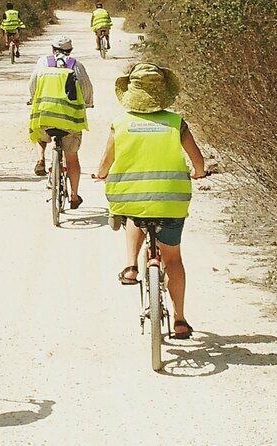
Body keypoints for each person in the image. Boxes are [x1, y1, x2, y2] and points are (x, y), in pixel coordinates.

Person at [95, 63, 208, 339]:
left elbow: (106, 161)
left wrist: (100, 174)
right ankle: (180, 320)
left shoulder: (120, 123)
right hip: (171, 201)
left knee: (134, 214)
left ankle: (132, 266)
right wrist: (199, 172)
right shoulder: (175, 123)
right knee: (173, 259)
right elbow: (198, 161)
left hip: (130, 197)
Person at [28, 36, 94, 209]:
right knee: (72, 157)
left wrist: (34, 99)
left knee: (40, 134)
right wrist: (87, 103)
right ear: (70, 50)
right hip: (69, 120)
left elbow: (33, 83)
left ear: (52, 49)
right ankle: (73, 196)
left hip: (45, 116)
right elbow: (86, 88)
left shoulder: (43, 62)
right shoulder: (76, 65)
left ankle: (40, 158)